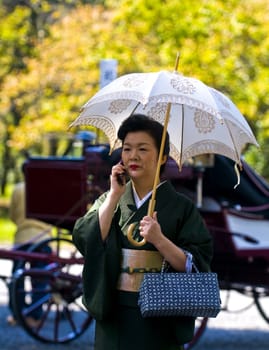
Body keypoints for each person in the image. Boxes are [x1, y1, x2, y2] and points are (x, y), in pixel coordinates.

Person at [72, 114, 213, 350]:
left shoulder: (181, 207)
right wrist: (115, 195)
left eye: (143, 149)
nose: (132, 156)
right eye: (127, 149)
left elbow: (197, 264)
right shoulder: (110, 199)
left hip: (160, 314)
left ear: (163, 157)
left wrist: (160, 240)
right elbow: (85, 239)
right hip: (114, 309)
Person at [7, 181, 53, 327]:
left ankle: (17, 314)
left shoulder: (18, 188)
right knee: (40, 279)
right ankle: (35, 315)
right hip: (43, 238)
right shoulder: (48, 189)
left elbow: (12, 216)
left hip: (22, 238)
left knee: (17, 278)